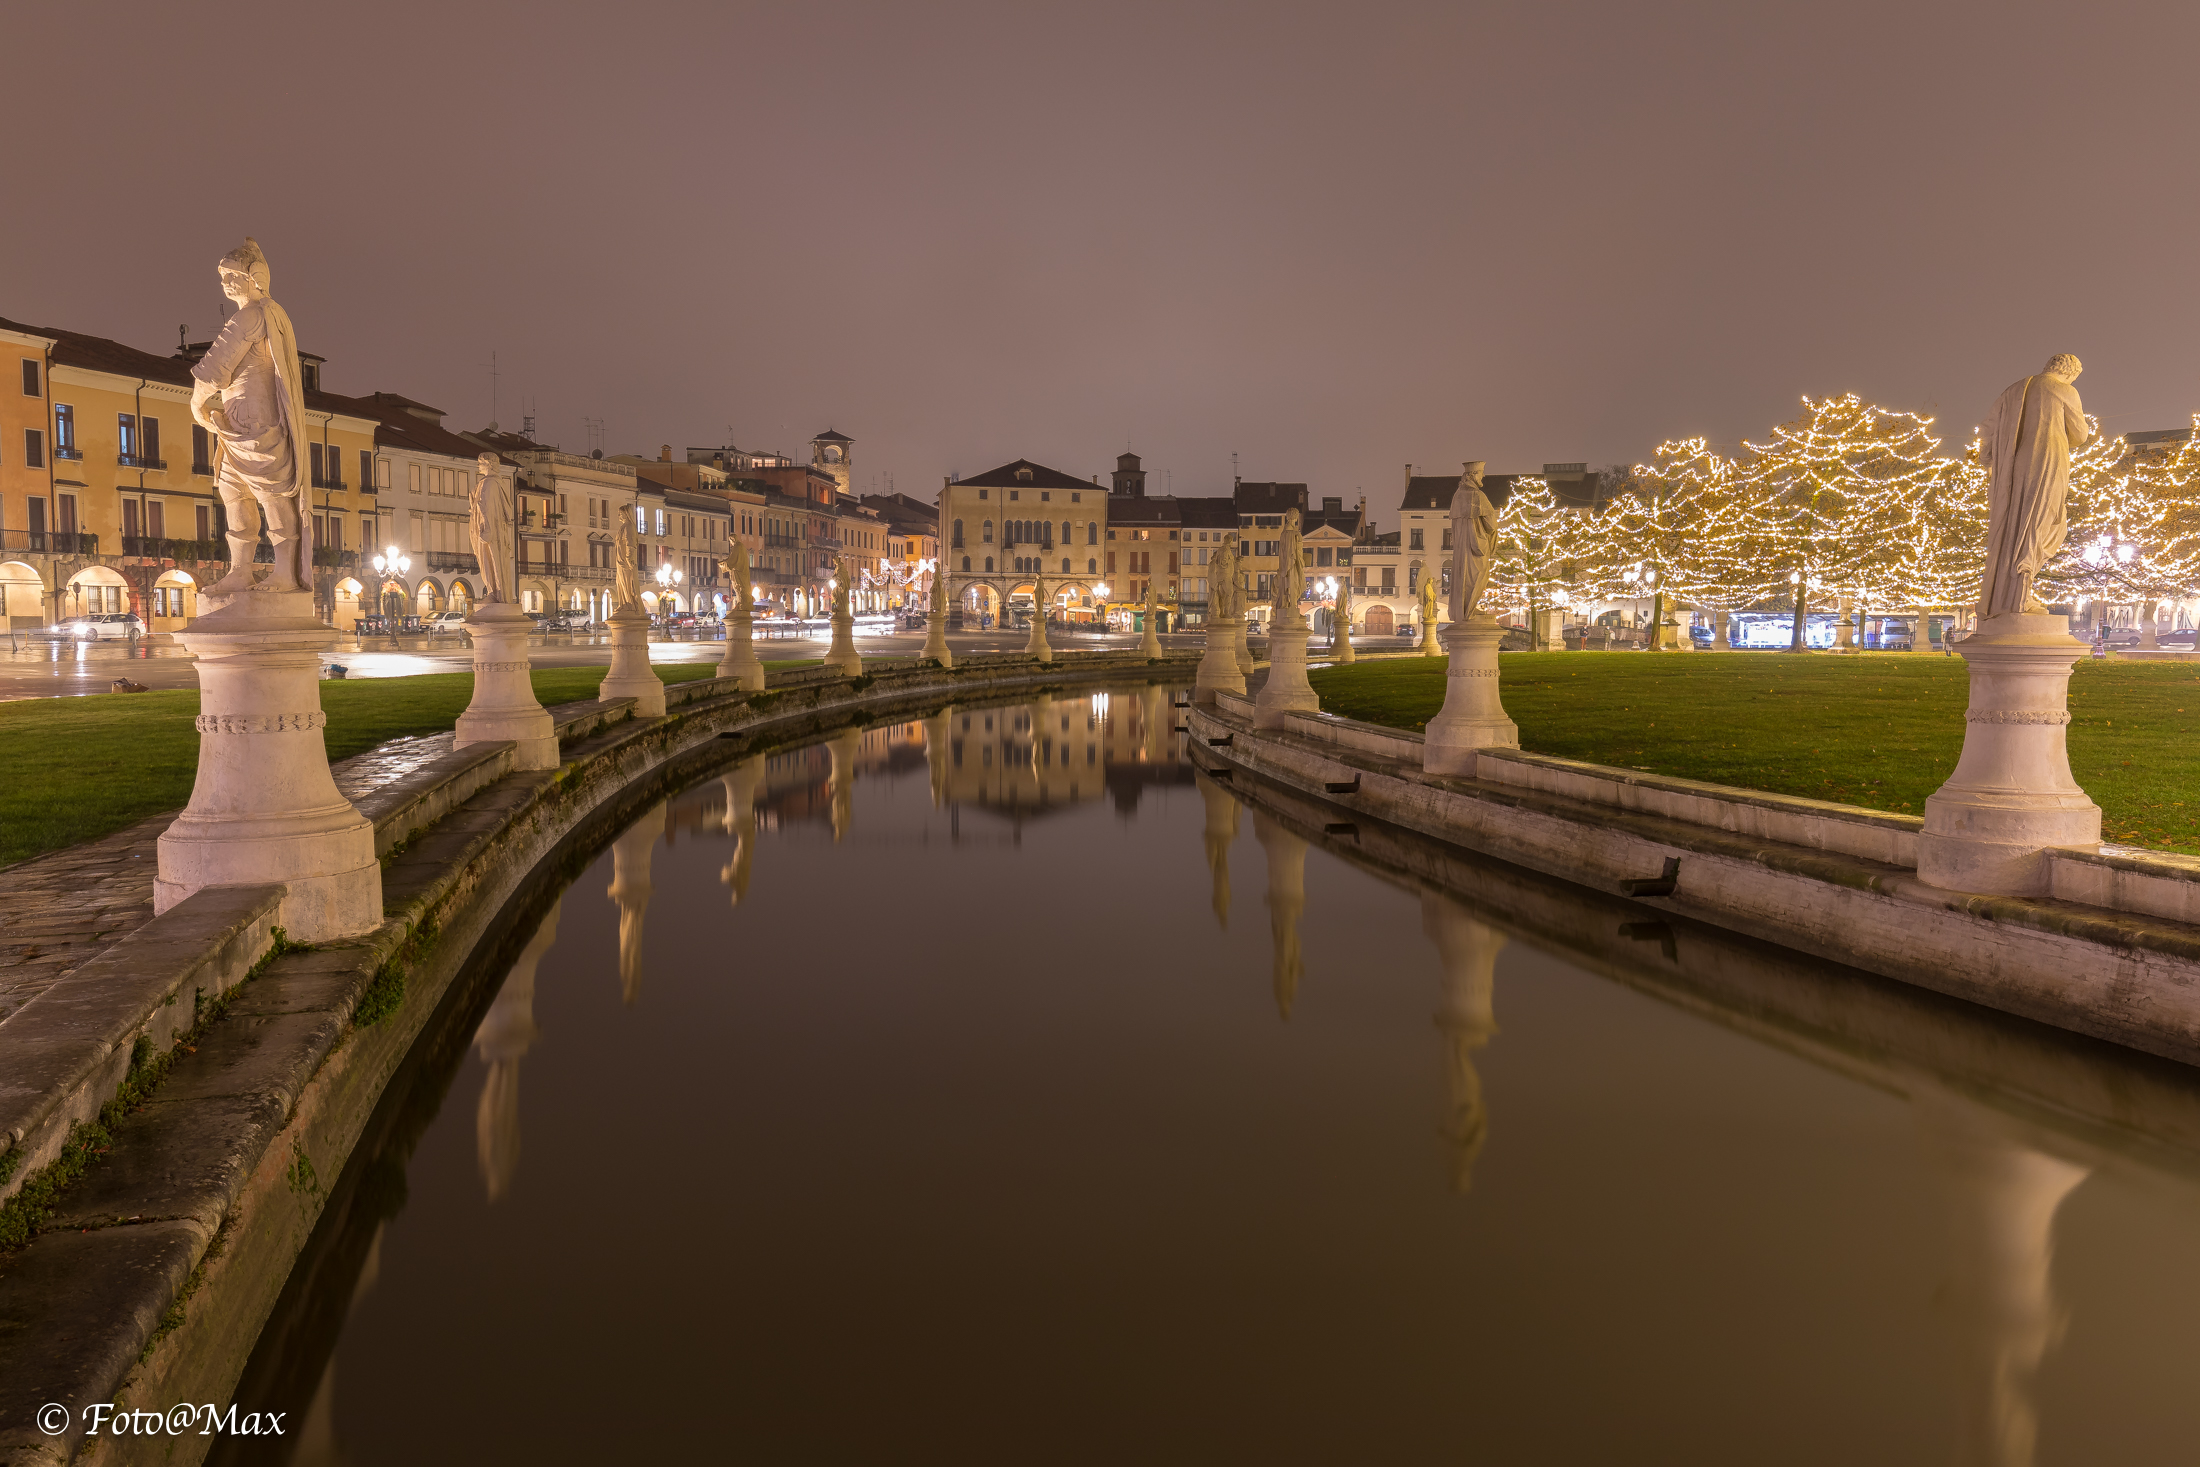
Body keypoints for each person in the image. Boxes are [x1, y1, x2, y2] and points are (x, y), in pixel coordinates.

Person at [189, 238, 311, 595]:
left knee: (270, 493)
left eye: (232, 274)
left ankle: (285, 574)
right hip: (237, 420)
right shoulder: (270, 314)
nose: (225, 280)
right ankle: (240, 571)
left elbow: (215, 367)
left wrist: (197, 405)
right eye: (222, 274)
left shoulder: (251, 316)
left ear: (254, 277)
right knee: (234, 491)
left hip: (253, 419)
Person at [1980, 355, 2092, 619]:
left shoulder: (2014, 389)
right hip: (2048, 458)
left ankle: (2005, 597)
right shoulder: (2065, 389)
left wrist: (1988, 455)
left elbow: (1988, 428)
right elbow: (2079, 434)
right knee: (2043, 521)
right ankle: (2020, 595)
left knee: (2014, 523)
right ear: (2071, 373)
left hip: (2015, 462)